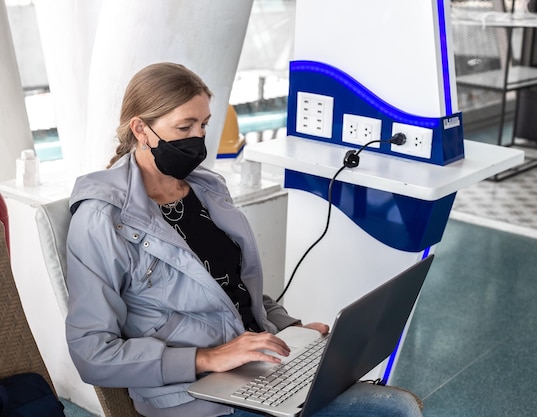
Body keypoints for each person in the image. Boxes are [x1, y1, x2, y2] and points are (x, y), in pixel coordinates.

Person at [65, 62, 424, 417]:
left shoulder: (207, 188)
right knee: (393, 410)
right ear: (141, 129)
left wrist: (291, 330)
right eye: (184, 126)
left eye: (203, 125)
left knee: (395, 407)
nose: (197, 138)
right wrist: (209, 357)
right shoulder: (103, 219)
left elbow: (233, 288)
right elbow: (93, 354)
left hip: (255, 366)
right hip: (191, 393)